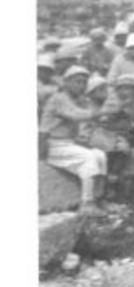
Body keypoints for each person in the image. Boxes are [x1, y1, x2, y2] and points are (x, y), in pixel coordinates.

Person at [39, 65, 108, 217]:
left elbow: (86, 118)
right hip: (51, 144)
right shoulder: (59, 98)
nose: (81, 85)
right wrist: (103, 112)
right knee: (88, 157)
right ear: (66, 83)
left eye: (84, 82)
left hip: (67, 143)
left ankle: (98, 197)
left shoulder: (78, 99)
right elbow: (76, 115)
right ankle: (87, 204)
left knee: (99, 154)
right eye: (78, 81)